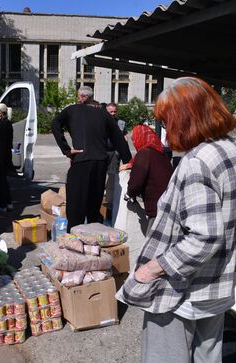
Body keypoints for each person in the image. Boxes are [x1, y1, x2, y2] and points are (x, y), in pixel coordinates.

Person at [116, 77, 236, 363]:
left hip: (183, 290)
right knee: (208, 356)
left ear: (186, 119)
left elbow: (204, 237)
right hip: (217, 285)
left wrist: (153, 269)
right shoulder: (229, 150)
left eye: (168, 122)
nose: (167, 132)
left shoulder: (197, 162)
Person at [51, 86, 132, 230]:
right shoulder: (103, 113)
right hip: (100, 163)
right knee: (94, 204)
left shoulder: (71, 110)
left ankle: (75, 238)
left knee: (76, 203)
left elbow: (55, 124)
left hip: (81, 161)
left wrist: (67, 150)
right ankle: (94, 237)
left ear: (81, 97)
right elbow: (117, 136)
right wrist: (128, 159)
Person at [123, 124, 173, 233]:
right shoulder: (160, 153)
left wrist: (129, 194)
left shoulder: (144, 153)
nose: (134, 142)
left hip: (157, 208)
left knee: (153, 243)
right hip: (169, 204)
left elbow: (136, 181)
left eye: (134, 139)